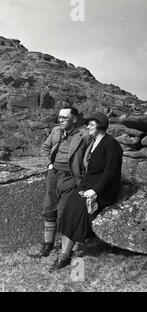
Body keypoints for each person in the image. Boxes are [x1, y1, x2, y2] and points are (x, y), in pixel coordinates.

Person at [49, 112, 123, 272]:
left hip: (103, 191)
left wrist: (95, 191)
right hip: (86, 187)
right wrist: (83, 188)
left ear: (101, 125)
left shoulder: (111, 144)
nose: (88, 126)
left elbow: (111, 172)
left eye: (92, 123)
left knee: (78, 213)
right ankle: (67, 254)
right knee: (69, 209)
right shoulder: (93, 142)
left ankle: (66, 257)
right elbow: (87, 170)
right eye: (87, 123)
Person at [32, 107, 90, 258]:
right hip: (54, 174)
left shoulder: (83, 135)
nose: (61, 120)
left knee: (64, 213)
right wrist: (49, 164)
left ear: (74, 119)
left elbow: (89, 156)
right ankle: (48, 246)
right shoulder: (56, 131)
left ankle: (66, 251)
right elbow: (45, 147)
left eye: (65, 117)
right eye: (60, 117)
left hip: (71, 178)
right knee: (49, 209)